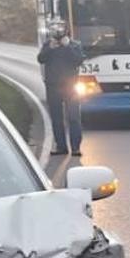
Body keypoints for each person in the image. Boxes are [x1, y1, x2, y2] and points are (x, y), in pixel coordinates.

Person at [37, 20, 86, 157]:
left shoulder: (75, 45)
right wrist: (50, 48)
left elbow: (79, 60)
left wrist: (67, 46)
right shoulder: (48, 45)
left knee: (73, 117)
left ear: (66, 30)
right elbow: (40, 59)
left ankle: (75, 147)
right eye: (55, 29)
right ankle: (61, 146)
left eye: (60, 29)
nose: (57, 31)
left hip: (71, 86)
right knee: (56, 118)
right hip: (53, 86)